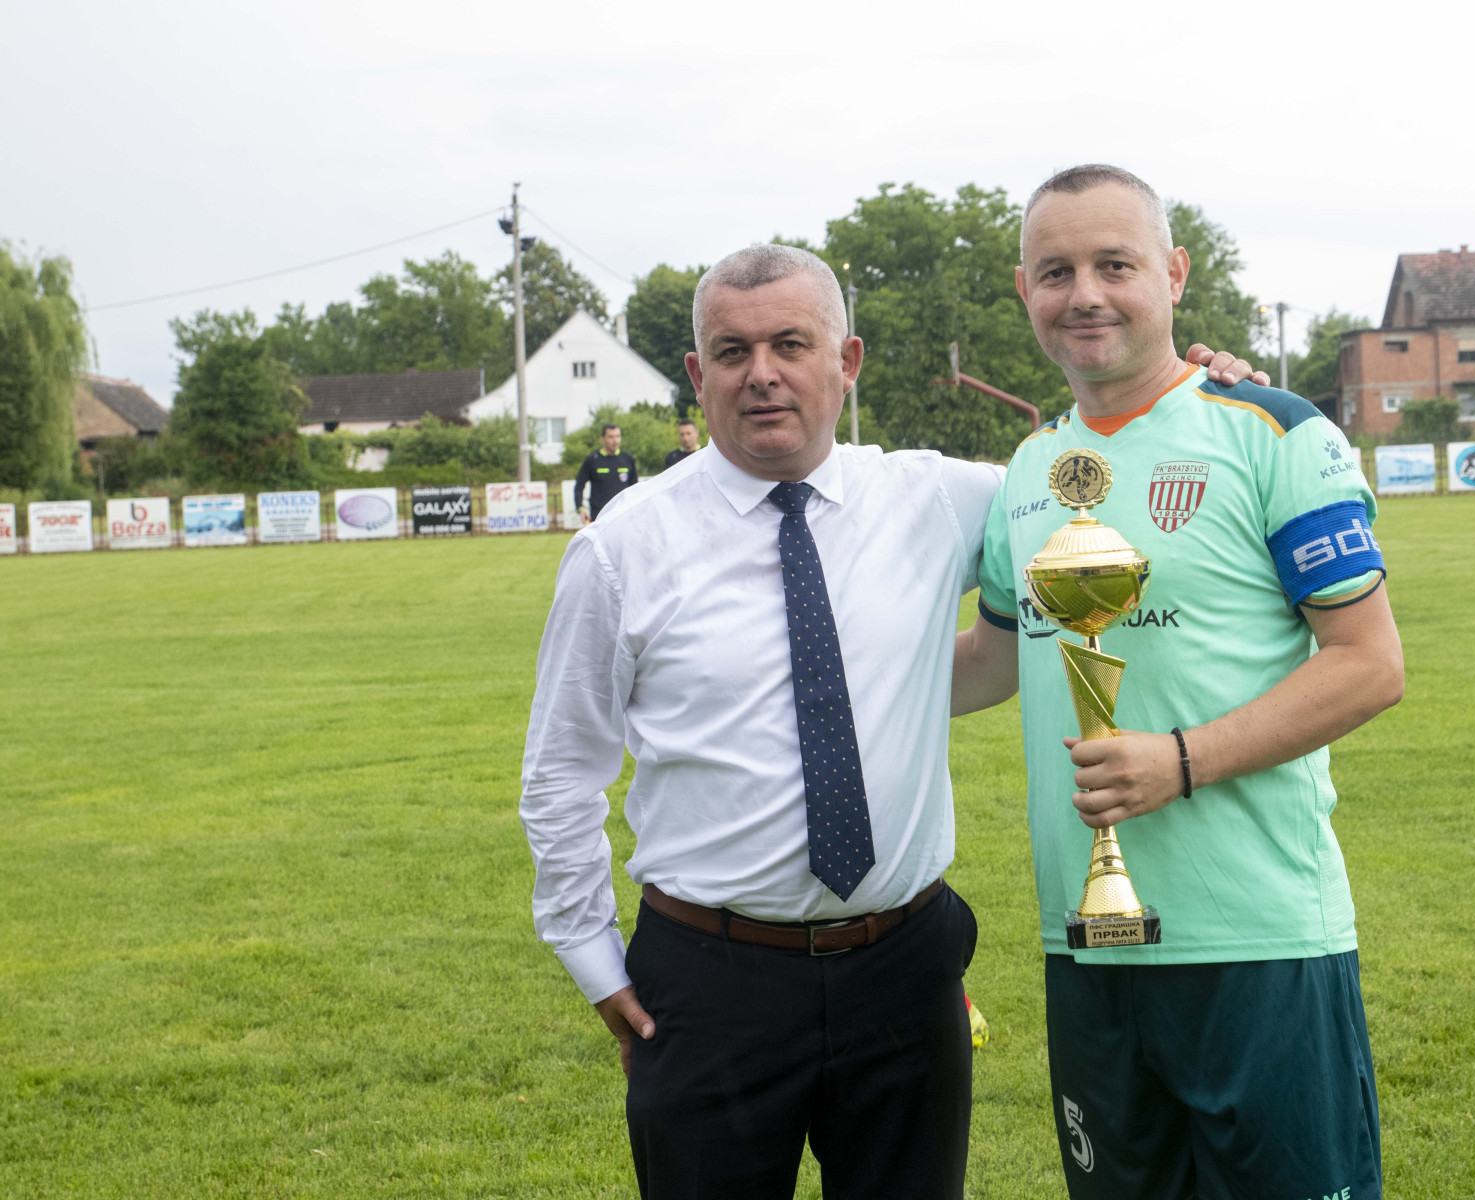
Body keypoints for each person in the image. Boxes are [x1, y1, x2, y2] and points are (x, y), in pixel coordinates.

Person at [520, 239, 1267, 1199]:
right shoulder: (623, 548)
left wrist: (1193, 393)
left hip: (905, 974)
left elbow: (1102, 484)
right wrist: (593, 959)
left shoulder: (942, 498)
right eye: (733, 353)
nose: (762, 375)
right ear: (699, 377)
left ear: (848, 361)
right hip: (708, 978)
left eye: (791, 345)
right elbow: (562, 771)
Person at [955, 164, 1405, 1200]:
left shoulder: (1275, 431)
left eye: (1115, 265)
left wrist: (1181, 761)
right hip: (1085, 945)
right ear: (1024, 290)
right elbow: (990, 660)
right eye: (1056, 271)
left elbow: (1370, 664)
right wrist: (801, 681)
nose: (1085, 294)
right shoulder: (1028, 471)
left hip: (1261, 941)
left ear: (1174, 273)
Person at [573, 423, 638, 521]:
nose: (615, 440)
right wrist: (580, 508)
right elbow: (579, 485)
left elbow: (635, 488)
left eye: (617, 436)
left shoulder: (627, 459)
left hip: (623, 514)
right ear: (602, 439)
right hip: (599, 515)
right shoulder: (592, 460)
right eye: (611, 437)